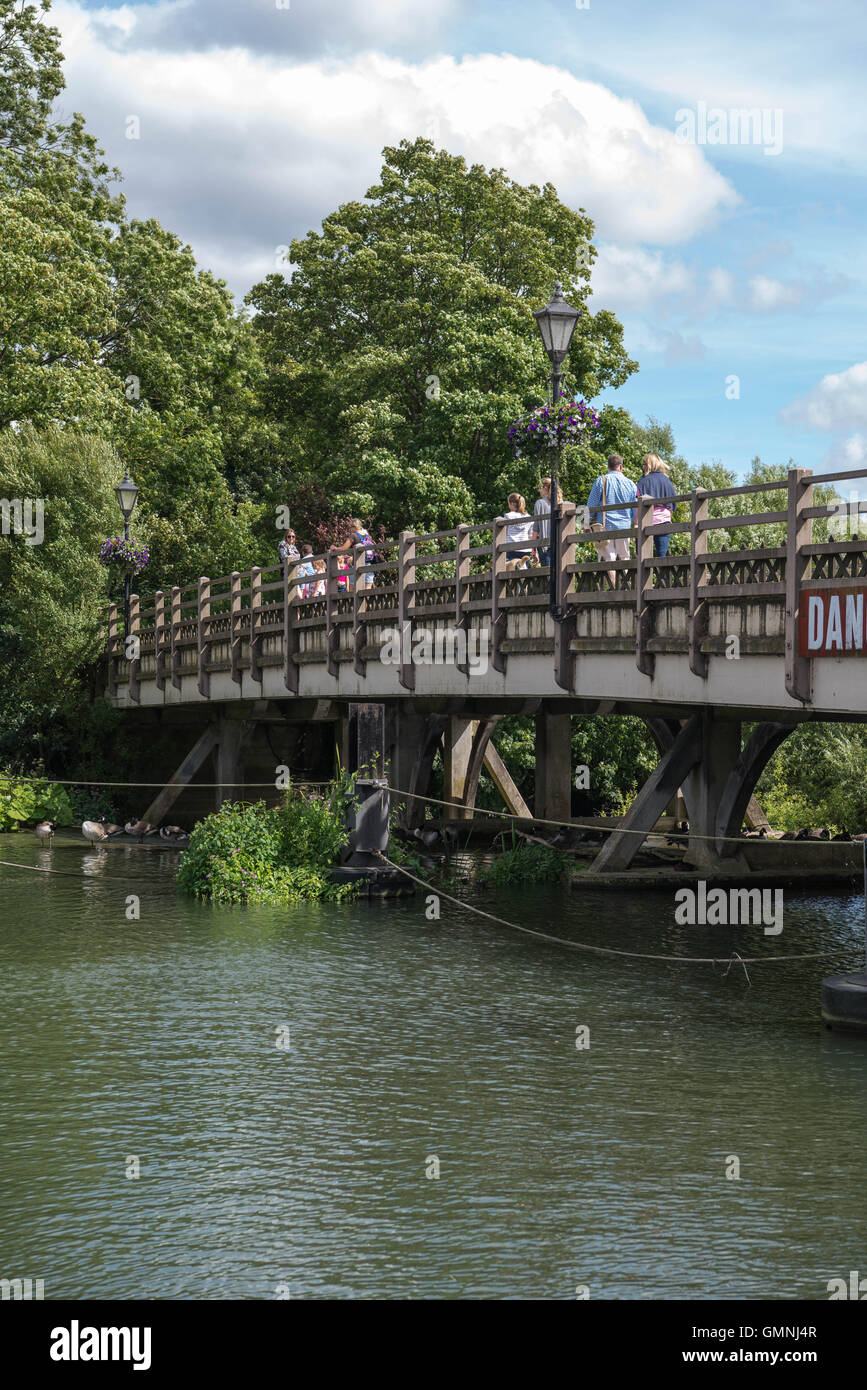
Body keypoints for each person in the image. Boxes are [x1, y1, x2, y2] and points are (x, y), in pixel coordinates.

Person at [585, 454, 639, 588]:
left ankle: (613, 587)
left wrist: (587, 524)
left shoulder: (601, 481)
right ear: (621, 467)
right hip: (624, 526)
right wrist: (635, 524)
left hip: (605, 525)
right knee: (625, 557)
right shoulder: (631, 484)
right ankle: (627, 587)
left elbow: (591, 505)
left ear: (608, 466)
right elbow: (635, 509)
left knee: (609, 557)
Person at [636, 454, 677, 557]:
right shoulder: (666, 481)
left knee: (642, 557)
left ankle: (644, 574)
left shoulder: (643, 481)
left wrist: (636, 523)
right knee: (662, 556)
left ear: (649, 465)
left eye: (644, 464)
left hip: (646, 522)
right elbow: (672, 504)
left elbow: (638, 504)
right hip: (664, 521)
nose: (643, 466)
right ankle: (663, 573)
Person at [333, 518, 377, 589]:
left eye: (350, 527)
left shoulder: (353, 536)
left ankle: (353, 600)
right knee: (367, 588)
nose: (350, 529)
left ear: (355, 527)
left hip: (357, 564)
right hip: (369, 564)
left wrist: (335, 548)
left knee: (352, 587)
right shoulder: (367, 536)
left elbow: (344, 548)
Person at [503, 493, 534, 570]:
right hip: (525, 549)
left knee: (510, 571)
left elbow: (504, 533)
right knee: (523, 570)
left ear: (512, 504)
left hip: (511, 547)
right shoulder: (528, 517)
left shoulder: (508, 516)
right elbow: (530, 535)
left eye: (509, 504)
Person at [530, 477, 554, 567]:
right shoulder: (560, 502)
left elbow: (536, 527)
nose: (538, 491)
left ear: (544, 488)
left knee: (547, 574)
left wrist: (533, 547)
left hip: (545, 545)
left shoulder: (539, 503)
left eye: (539, 488)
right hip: (559, 545)